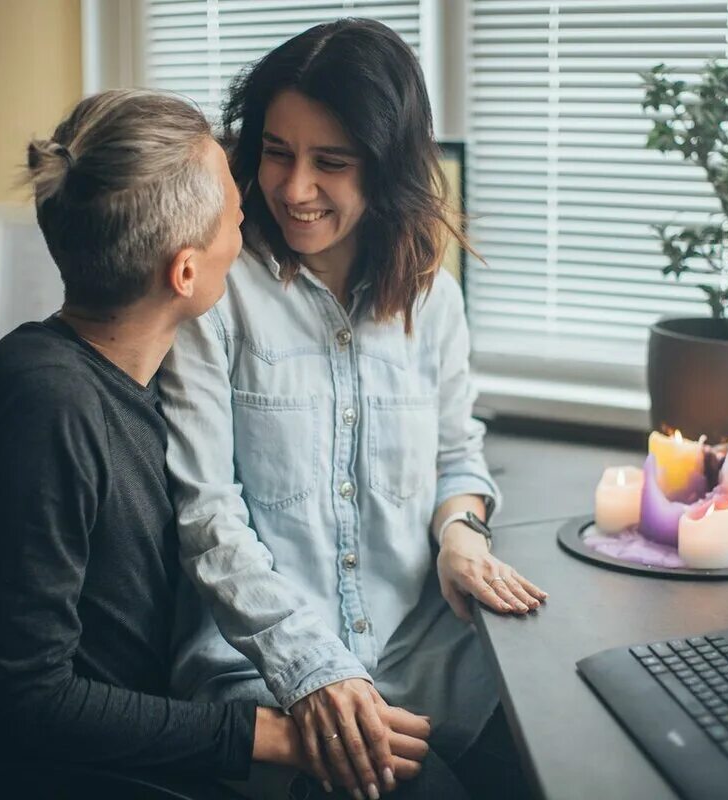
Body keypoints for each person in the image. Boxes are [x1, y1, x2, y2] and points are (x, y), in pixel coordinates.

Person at [161, 20, 544, 799]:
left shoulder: (430, 297)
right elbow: (207, 515)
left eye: (330, 163)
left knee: (564, 757)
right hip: (267, 672)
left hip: (423, 652)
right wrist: (314, 668)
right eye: (276, 152)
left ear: (387, 168)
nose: (295, 188)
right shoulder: (216, 293)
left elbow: (456, 453)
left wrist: (461, 535)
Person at [0, 88, 366, 782]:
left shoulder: (151, 379)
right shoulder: (44, 405)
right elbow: (27, 699)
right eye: (233, 210)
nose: (246, 211)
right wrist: (268, 735)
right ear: (187, 272)